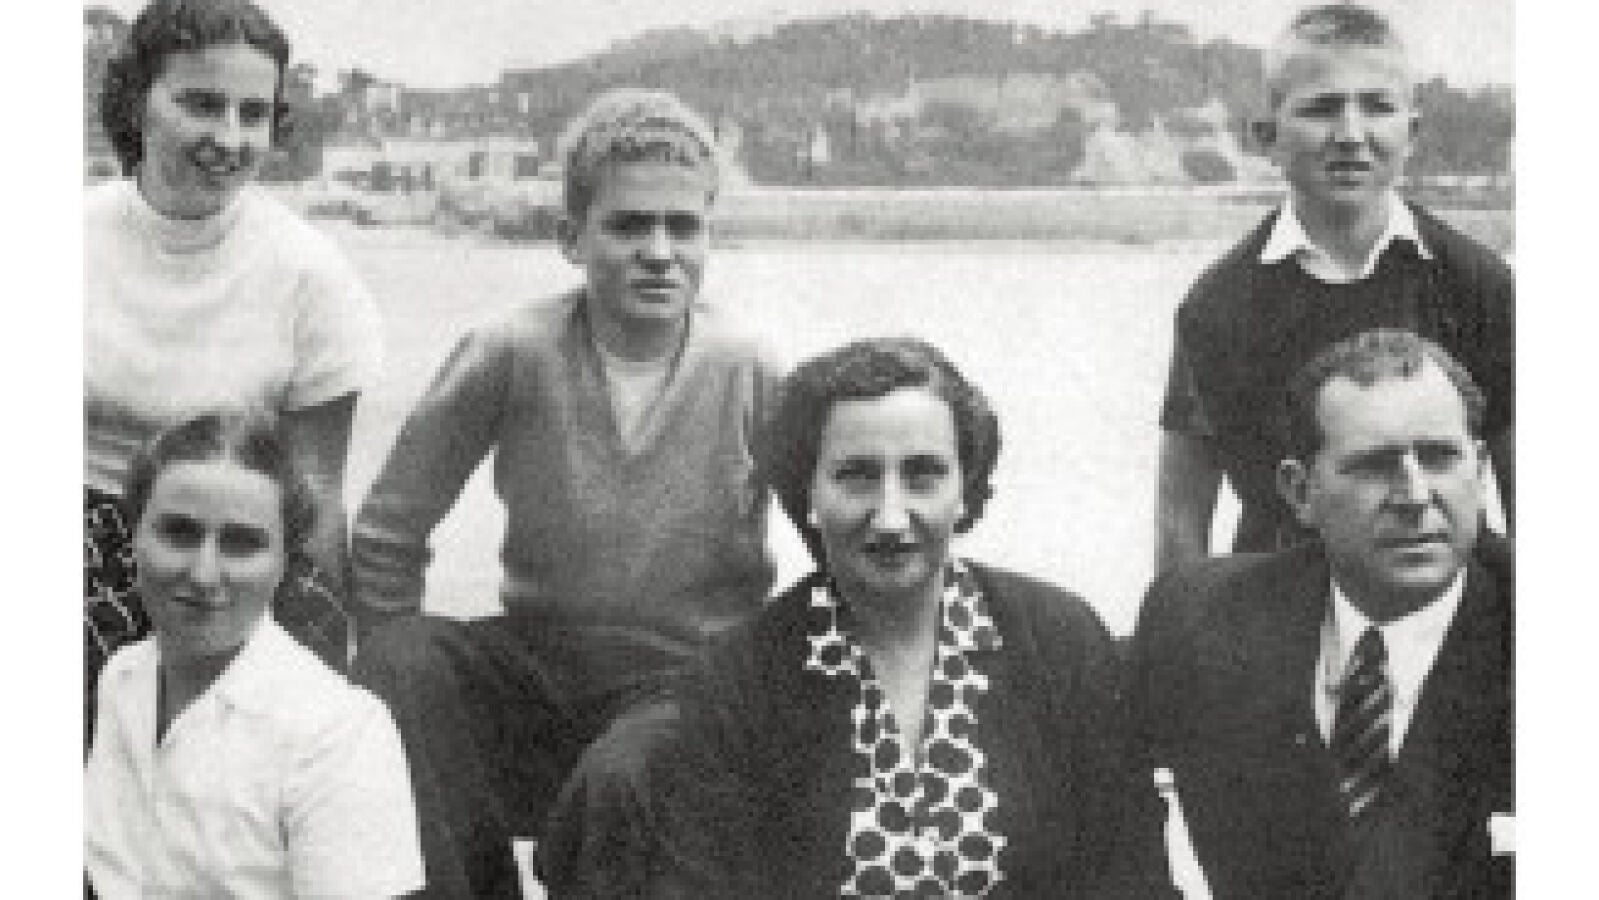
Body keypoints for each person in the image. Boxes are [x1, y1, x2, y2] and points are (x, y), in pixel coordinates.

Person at [542, 338, 1172, 898]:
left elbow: (1131, 876)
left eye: (923, 475)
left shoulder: (1059, 639)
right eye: (857, 477)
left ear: (965, 488)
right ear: (808, 494)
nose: (891, 517)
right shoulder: (740, 679)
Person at [349, 88, 780, 897]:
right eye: (628, 226)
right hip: (537, 666)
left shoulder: (749, 365)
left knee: (626, 773)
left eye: (683, 227)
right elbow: (386, 534)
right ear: (571, 238)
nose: (659, 252)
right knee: (398, 662)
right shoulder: (510, 350)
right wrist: (391, 710)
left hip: (683, 682)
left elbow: (840, 533)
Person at [1129, 329, 1512, 897]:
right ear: (1299, 491)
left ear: (1479, 471)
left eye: (1439, 458)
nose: (1414, 495)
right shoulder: (1202, 620)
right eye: (1374, 466)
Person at [85, 0, 382, 725]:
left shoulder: (311, 273)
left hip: (232, 537)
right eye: (200, 104)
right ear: (138, 101)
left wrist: (326, 647)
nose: (228, 137)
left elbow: (315, 496)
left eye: (253, 114)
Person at [1153, 2, 1513, 573]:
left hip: (1445, 595)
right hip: (1280, 599)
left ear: (1411, 132)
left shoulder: (1478, 285)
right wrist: (1183, 623)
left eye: (1377, 106)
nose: (1350, 134)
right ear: (1268, 136)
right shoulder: (1219, 303)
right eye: (1321, 109)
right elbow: (1181, 521)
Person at [84, 410, 424, 898]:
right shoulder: (122, 679)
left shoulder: (339, 734)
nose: (204, 574)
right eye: (179, 532)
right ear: (133, 536)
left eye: (242, 544)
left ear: (286, 562)